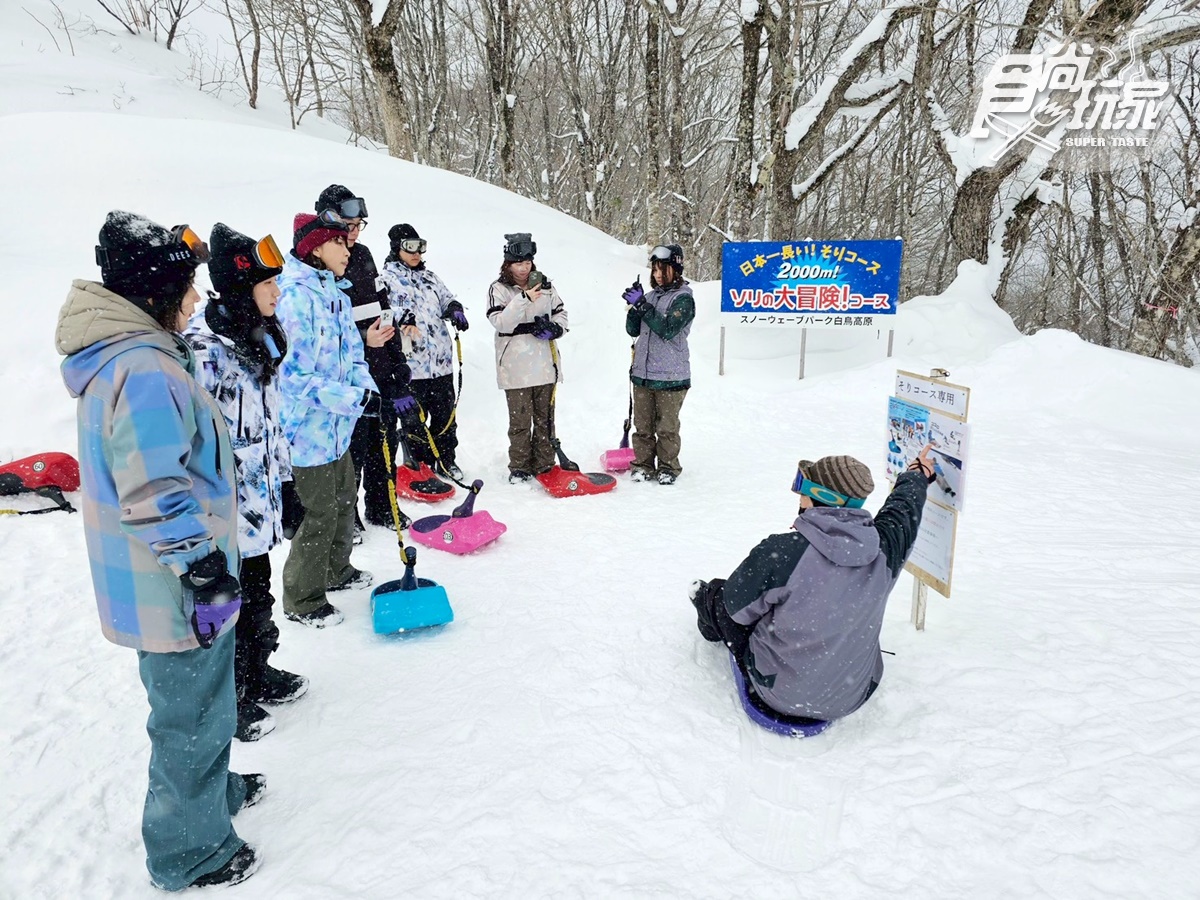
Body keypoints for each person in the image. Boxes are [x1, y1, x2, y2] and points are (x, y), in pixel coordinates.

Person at [57, 211, 261, 888]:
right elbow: (151, 487)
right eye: (187, 288)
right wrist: (203, 570)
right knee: (189, 717)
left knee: (204, 704)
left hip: (167, 575)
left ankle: (212, 795)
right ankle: (189, 851)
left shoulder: (131, 357)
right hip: (173, 583)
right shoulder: (142, 369)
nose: (197, 301)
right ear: (155, 294)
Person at [690, 448, 935, 723]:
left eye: (802, 487)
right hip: (853, 695)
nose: (799, 496)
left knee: (718, 596)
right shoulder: (886, 549)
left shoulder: (782, 552)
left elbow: (735, 608)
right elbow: (903, 509)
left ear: (823, 497)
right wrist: (917, 474)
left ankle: (704, 608)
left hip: (778, 693)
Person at [184, 223, 309, 742]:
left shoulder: (258, 340)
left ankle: (258, 672)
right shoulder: (204, 350)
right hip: (222, 513)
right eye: (268, 285)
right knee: (226, 607)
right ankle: (230, 700)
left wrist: (285, 483)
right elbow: (187, 441)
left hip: (259, 506)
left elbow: (271, 423)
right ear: (241, 289)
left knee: (258, 595)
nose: (278, 294)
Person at [275, 212, 381, 628]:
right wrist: (352, 398)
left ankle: (337, 571)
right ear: (316, 247)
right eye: (339, 242)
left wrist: (366, 390)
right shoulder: (294, 298)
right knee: (318, 513)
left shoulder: (334, 293)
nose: (348, 247)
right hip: (307, 431)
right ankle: (303, 597)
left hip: (338, 426)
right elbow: (293, 376)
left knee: (343, 501)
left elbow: (354, 354)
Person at [314, 185, 415, 533]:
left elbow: (382, 310)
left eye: (359, 226)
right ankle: (348, 518)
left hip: (379, 369)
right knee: (351, 451)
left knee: (382, 444)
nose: (354, 234)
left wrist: (397, 368)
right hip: (343, 379)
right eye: (348, 226)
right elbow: (320, 335)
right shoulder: (315, 265)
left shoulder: (364, 256)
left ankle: (382, 506)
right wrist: (361, 339)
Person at [380, 223, 468, 480]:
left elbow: (445, 297)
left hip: (440, 363)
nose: (417, 253)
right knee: (414, 421)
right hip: (412, 365)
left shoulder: (431, 277)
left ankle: (446, 460)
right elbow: (383, 312)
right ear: (397, 249)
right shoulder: (386, 279)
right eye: (410, 247)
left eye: (420, 247)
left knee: (445, 417)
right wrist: (400, 318)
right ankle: (421, 464)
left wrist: (454, 308)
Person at [486, 232, 569, 483]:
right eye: (518, 264)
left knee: (545, 419)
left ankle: (544, 463)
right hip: (515, 367)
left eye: (528, 263)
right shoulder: (498, 289)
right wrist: (523, 299)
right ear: (508, 264)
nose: (524, 268)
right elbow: (500, 322)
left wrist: (555, 328)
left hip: (545, 363)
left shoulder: (546, 286)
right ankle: (520, 466)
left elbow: (561, 314)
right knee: (521, 421)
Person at [621, 244, 695, 485]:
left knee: (667, 428)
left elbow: (667, 329)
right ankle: (642, 465)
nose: (658, 275)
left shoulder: (683, 299)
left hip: (671, 376)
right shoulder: (650, 297)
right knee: (642, 426)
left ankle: (668, 467)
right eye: (654, 270)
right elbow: (633, 330)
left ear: (676, 269)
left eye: (663, 269)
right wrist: (635, 307)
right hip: (643, 374)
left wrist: (642, 305)